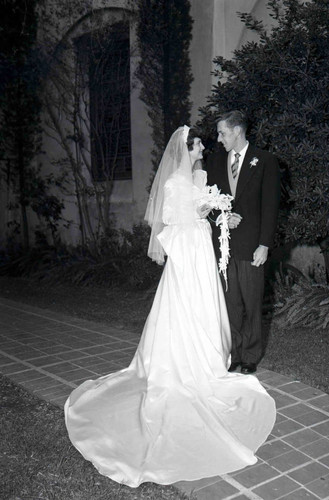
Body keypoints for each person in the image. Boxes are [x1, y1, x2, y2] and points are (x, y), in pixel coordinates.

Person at [64, 126, 276, 488]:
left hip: (201, 249)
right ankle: (182, 363)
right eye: (198, 145)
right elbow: (173, 218)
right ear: (186, 147)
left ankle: (210, 357)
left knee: (206, 302)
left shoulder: (199, 175)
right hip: (188, 251)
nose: (204, 147)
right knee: (184, 306)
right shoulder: (174, 183)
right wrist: (206, 207)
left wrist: (218, 209)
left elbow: (207, 207)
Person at [206, 111, 280, 375]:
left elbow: (271, 207)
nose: (219, 139)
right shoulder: (214, 162)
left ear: (237, 131)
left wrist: (264, 244)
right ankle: (234, 353)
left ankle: (250, 355)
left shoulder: (265, 161)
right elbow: (208, 203)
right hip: (225, 248)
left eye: (222, 133)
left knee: (252, 302)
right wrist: (223, 217)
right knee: (231, 303)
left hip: (252, 247)